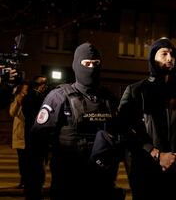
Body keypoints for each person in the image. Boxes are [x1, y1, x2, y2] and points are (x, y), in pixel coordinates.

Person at [25, 42, 124, 200]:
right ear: (76, 65)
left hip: (103, 184)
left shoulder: (108, 99)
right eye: (86, 63)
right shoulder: (59, 97)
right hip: (68, 184)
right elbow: (37, 144)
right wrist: (33, 188)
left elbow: (121, 136)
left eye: (95, 63)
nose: (91, 68)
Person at [117, 37, 176, 200]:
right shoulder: (135, 91)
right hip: (145, 170)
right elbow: (123, 126)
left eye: (172, 54)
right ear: (153, 58)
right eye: (164, 53)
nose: (169, 58)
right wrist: (154, 152)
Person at [9, 81, 29, 189]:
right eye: (24, 91)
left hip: (29, 134)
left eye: (26, 91)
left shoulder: (31, 100)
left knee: (29, 160)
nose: (25, 93)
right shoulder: (16, 99)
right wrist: (18, 102)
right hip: (20, 135)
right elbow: (12, 113)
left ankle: (29, 180)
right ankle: (23, 179)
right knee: (22, 160)